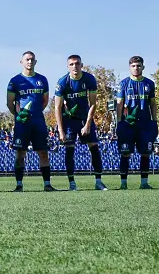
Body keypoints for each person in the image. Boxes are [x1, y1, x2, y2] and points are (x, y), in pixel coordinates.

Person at [53, 55, 106, 191]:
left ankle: (99, 182)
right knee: (69, 149)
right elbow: (57, 107)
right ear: (68, 67)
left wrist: (88, 124)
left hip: (84, 118)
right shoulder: (62, 82)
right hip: (69, 121)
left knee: (94, 147)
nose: (74, 67)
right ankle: (72, 183)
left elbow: (93, 103)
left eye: (77, 64)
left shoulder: (89, 79)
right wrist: (61, 130)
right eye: (71, 64)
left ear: (81, 65)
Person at [7, 51, 56, 192]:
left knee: (43, 152)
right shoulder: (14, 81)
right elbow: (10, 102)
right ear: (21, 62)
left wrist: (35, 113)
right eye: (27, 59)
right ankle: (19, 185)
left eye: (32, 59)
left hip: (38, 122)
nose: (29, 62)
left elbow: (45, 101)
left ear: (35, 62)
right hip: (22, 124)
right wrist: (18, 115)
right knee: (20, 154)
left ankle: (47, 184)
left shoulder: (42, 80)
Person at [115, 56, 158, 190]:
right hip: (127, 125)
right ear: (129, 67)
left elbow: (152, 103)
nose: (136, 68)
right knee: (125, 153)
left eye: (138, 65)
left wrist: (155, 121)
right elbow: (119, 104)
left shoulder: (149, 83)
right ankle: (123, 183)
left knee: (145, 153)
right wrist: (119, 122)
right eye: (133, 66)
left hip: (145, 124)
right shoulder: (123, 84)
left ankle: (144, 182)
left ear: (143, 67)